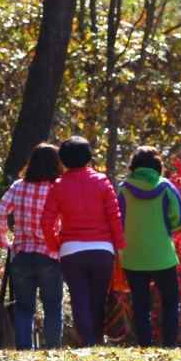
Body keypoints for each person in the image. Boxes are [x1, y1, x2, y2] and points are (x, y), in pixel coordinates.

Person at [43, 136, 124, 348]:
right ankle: (97, 340)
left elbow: (46, 221)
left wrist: (54, 245)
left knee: (79, 298)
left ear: (63, 160)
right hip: (102, 250)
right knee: (98, 299)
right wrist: (120, 246)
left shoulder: (58, 185)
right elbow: (114, 217)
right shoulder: (102, 181)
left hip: (71, 250)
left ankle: (87, 342)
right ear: (89, 157)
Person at [0, 143, 65, 350]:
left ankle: (24, 349)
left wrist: (4, 241)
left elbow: (0, 212)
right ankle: (53, 349)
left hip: (22, 253)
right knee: (53, 306)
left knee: (24, 308)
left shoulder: (18, 186)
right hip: (50, 254)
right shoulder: (57, 187)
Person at [118, 147, 181, 348]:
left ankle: (144, 346)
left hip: (132, 256)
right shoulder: (166, 187)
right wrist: (166, 228)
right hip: (163, 255)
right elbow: (180, 218)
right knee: (170, 302)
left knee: (140, 305)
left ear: (133, 166)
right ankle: (169, 345)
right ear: (157, 165)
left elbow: (117, 220)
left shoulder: (123, 189)